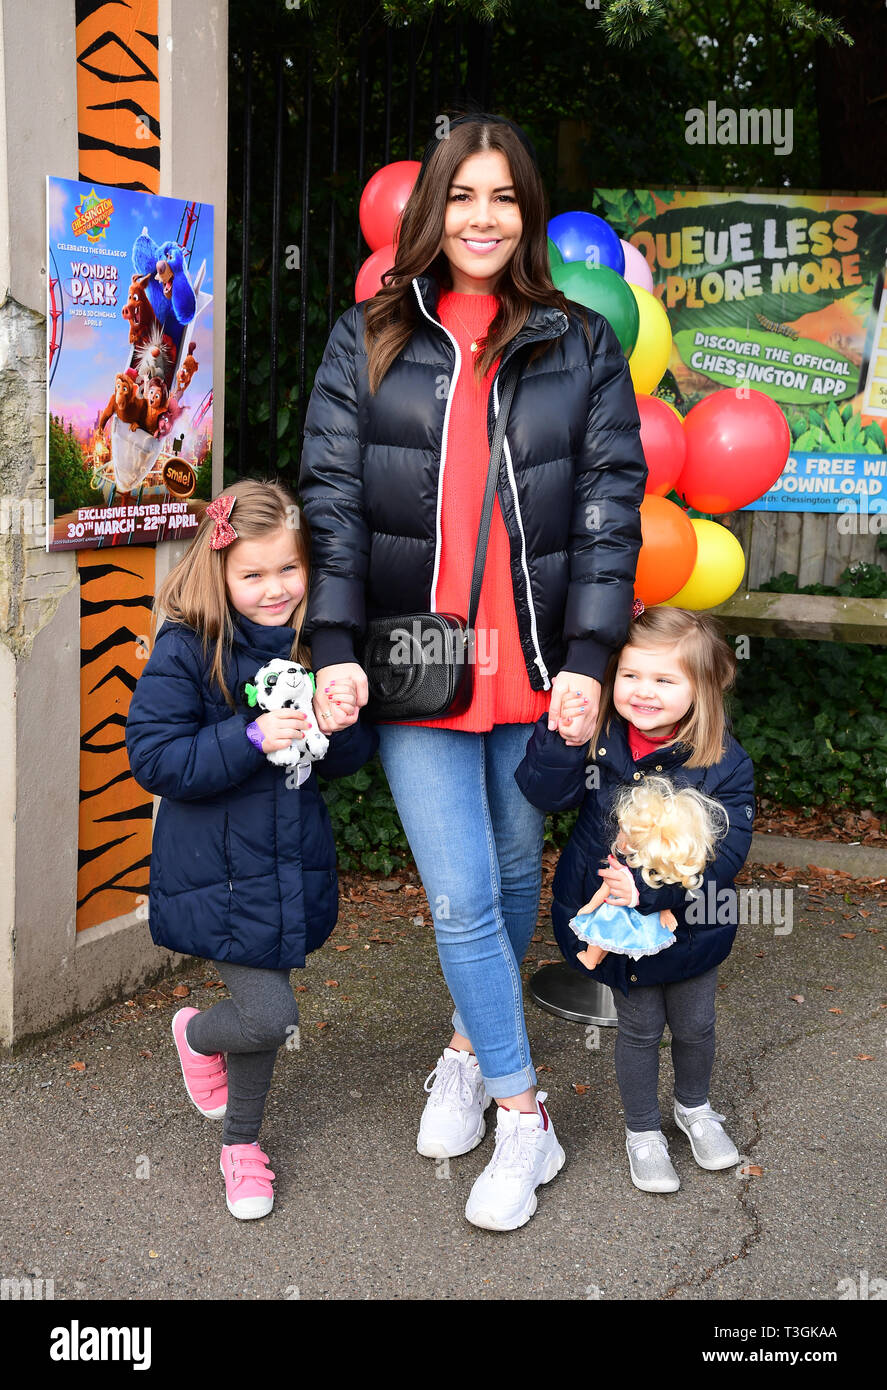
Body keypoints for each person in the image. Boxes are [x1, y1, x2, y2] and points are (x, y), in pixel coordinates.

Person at [299, 110, 647, 1230]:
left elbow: (608, 509)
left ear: (525, 213)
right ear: (431, 210)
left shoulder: (578, 341)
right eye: (461, 196)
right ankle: (522, 1111)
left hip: (536, 661)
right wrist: (334, 645)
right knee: (458, 893)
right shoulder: (368, 336)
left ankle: (461, 1045)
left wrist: (590, 659)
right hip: (418, 658)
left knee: (504, 880)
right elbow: (334, 506)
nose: (481, 217)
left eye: (501, 197)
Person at [125, 479, 378, 1219]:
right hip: (216, 875)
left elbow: (342, 761)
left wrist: (340, 721)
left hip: (284, 867)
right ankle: (198, 1035)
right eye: (254, 575)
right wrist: (247, 736)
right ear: (221, 572)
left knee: (268, 1013)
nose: (274, 590)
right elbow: (157, 759)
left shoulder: (315, 645)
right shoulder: (187, 648)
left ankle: (242, 1147)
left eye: (289, 570)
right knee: (268, 1016)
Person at [515, 604, 756, 1194]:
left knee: (697, 1026)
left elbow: (725, 857)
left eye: (664, 679)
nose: (642, 692)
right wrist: (560, 742)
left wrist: (649, 890)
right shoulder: (599, 744)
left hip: (693, 925)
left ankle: (694, 1109)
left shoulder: (724, 763)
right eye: (630, 675)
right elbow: (543, 793)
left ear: (702, 688)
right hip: (617, 933)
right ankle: (642, 1131)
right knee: (640, 1030)